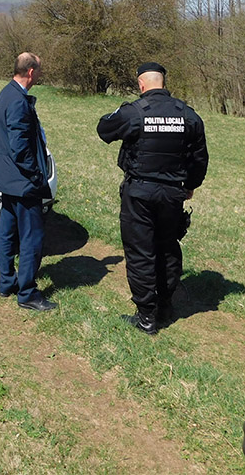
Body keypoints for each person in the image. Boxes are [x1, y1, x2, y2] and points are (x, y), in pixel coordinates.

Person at [96, 62, 208, 334]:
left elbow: (104, 130)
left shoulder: (134, 112)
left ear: (141, 84)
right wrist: (190, 185)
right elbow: (200, 158)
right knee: (168, 247)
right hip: (172, 194)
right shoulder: (188, 115)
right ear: (164, 83)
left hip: (140, 193)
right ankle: (166, 304)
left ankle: (147, 316)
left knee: (141, 252)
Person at [0, 52, 56, 311]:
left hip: (8, 179)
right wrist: (36, 175)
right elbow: (20, 148)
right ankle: (27, 293)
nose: (40, 75)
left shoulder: (6, 93)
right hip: (22, 182)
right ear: (31, 72)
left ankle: (7, 282)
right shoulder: (17, 101)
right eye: (39, 71)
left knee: (7, 232)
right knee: (31, 237)